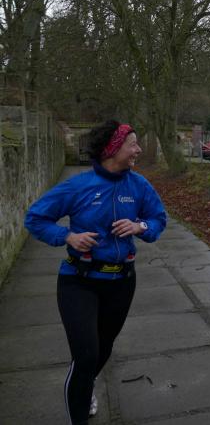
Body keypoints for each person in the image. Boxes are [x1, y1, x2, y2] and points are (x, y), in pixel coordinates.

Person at [24, 120, 167, 425]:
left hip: (122, 283)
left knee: (102, 349)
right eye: (133, 144)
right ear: (112, 148)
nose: (138, 150)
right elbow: (35, 218)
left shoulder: (139, 185)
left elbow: (158, 219)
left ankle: (85, 384)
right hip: (80, 281)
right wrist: (67, 236)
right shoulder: (78, 186)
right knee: (86, 355)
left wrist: (140, 226)